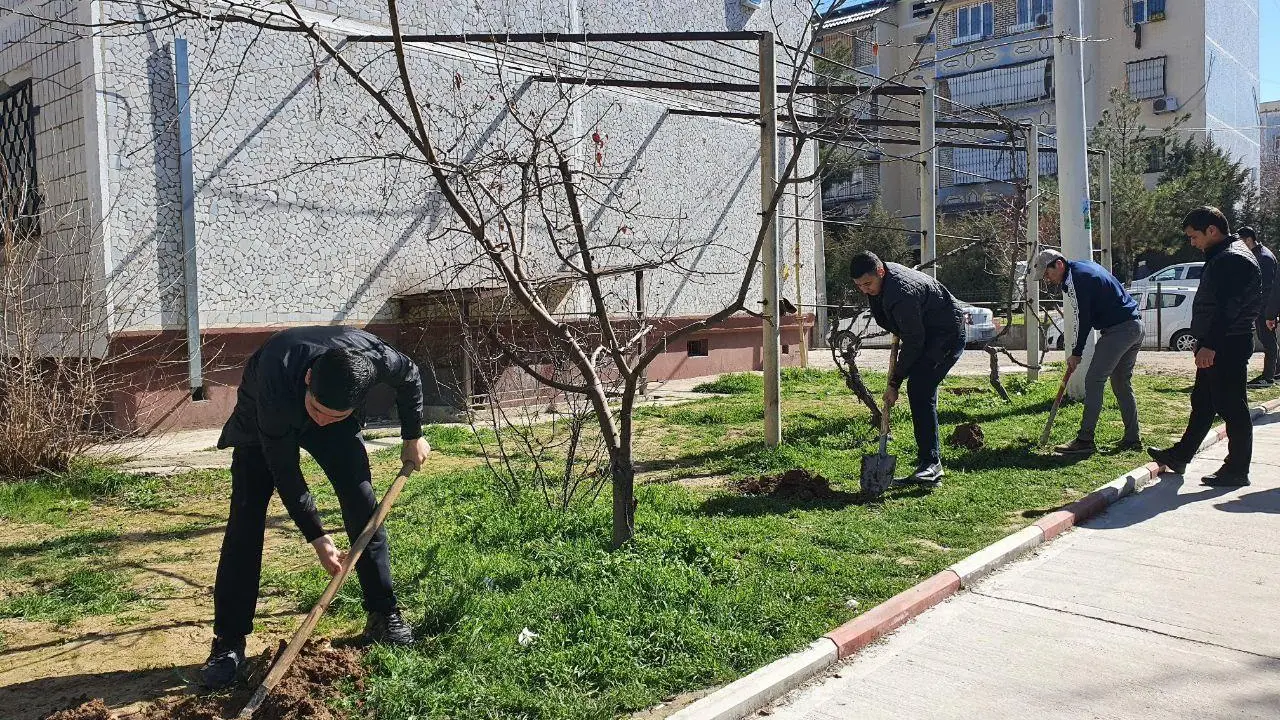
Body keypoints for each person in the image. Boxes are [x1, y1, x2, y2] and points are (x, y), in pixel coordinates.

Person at [200, 326, 432, 689]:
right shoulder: (277, 380)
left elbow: (411, 375)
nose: (321, 419)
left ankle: (384, 612)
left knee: (363, 505)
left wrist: (412, 435)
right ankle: (228, 644)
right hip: (262, 423)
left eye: (334, 414)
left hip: (324, 406)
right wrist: (318, 538)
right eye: (318, 411)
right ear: (310, 378)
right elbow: (286, 474)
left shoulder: (373, 360)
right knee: (245, 522)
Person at [1149, 207, 1261, 487]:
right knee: (1203, 403)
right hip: (1221, 341)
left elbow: (1227, 309)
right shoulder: (1225, 255)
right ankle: (1181, 455)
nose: (1192, 243)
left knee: (1232, 406)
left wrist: (1209, 345)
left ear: (1212, 230)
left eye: (1194, 236)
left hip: (1226, 344)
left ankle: (1237, 468)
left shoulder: (1231, 259)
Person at [849, 251, 966, 487]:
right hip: (926, 332)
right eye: (859, 286)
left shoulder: (901, 293)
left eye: (868, 284)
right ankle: (929, 463)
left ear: (881, 272)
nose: (864, 290)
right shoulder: (881, 282)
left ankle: (931, 465)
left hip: (945, 336)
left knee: (920, 389)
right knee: (921, 390)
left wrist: (894, 383)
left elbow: (914, 343)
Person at [1033, 249, 1143, 454]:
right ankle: (1132, 438)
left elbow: (1084, 319)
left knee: (1094, 380)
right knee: (1120, 381)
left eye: (1047, 274)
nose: (1048, 280)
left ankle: (1085, 440)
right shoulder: (1083, 267)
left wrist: (1076, 352)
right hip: (1134, 327)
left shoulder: (1077, 279)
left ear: (1058, 264)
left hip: (1119, 331)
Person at [1239, 226, 1280, 388]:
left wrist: (1269, 312)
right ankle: (1274, 373)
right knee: (1268, 341)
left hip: (1264, 308)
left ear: (1248, 239)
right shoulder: (1259, 255)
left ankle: (1268, 377)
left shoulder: (1263, 258)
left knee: (1268, 341)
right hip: (1263, 307)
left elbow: (1269, 287)